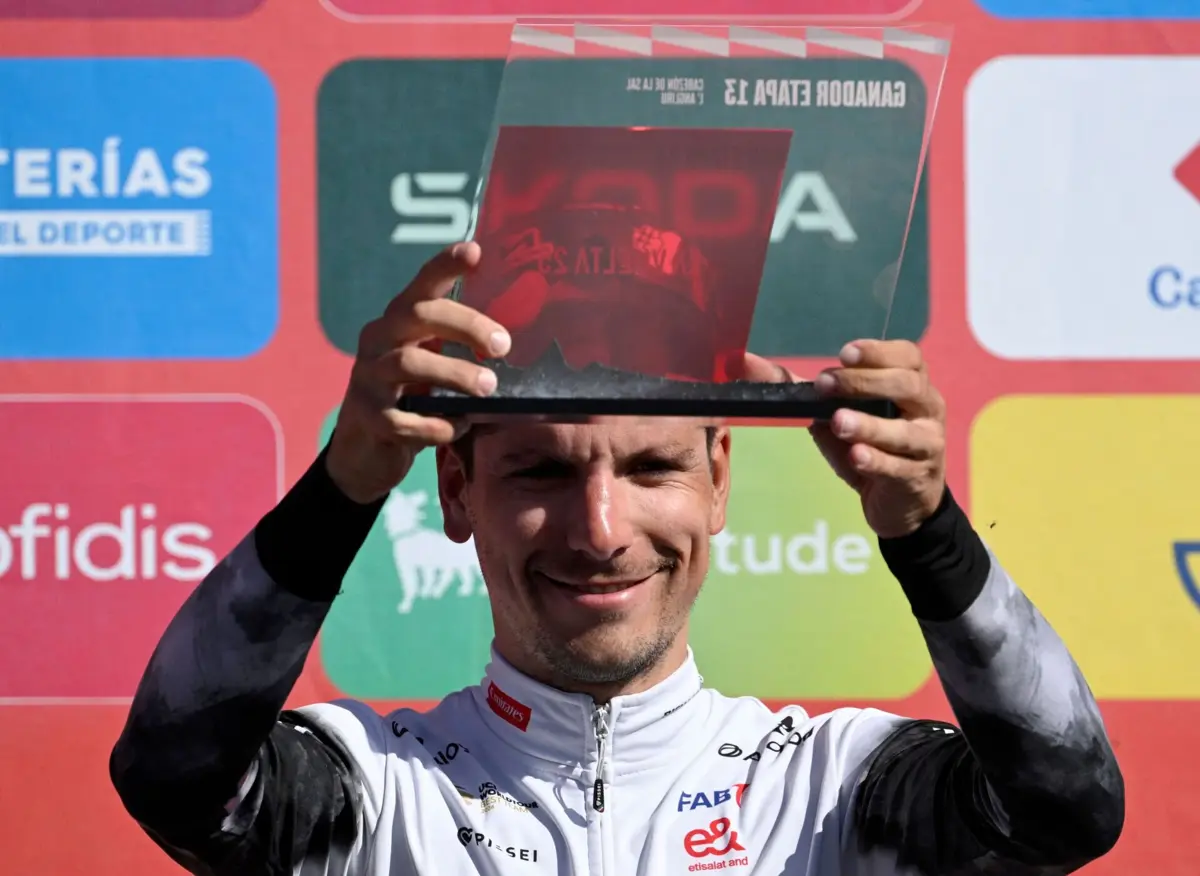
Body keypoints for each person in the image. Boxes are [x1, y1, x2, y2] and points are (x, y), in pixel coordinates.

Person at [109, 242, 1124, 876]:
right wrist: (344, 484)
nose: (600, 530)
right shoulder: (378, 795)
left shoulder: (832, 791)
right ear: (456, 491)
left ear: (719, 481)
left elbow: (1063, 812)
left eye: (650, 467)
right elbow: (172, 779)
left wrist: (926, 526)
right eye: (541, 474)